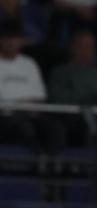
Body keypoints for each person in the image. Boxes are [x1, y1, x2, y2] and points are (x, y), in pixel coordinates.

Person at [0, 21, 65, 152]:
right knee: (23, 125)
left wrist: (30, 105)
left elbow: (40, 96)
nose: (11, 42)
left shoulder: (29, 63)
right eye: (7, 38)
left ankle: (55, 162)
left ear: (21, 40)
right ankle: (37, 159)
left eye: (15, 38)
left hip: (31, 114)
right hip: (5, 116)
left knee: (56, 127)